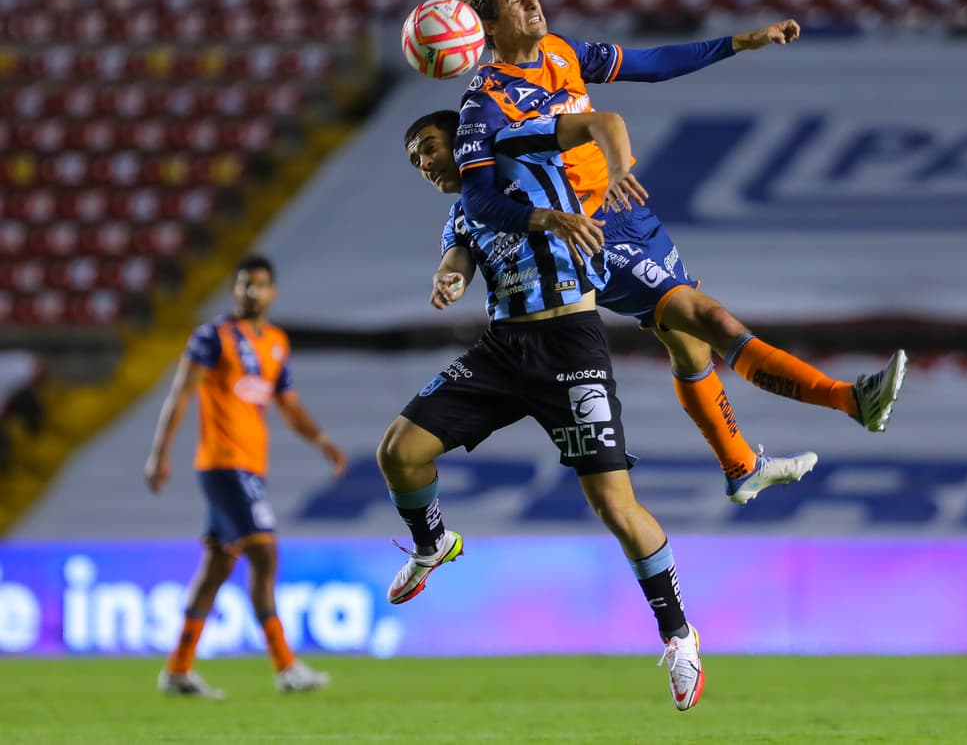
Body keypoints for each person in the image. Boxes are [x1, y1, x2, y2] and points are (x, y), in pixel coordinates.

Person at [450, 0, 907, 506]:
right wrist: (546, 217)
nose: (531, 0)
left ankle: (740, 466)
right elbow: (476, 199)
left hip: (629, 213)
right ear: (489, 25)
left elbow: (652, 63)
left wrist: (741, 41)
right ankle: (851, 400)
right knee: (706, 316)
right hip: (587, 235)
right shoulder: (484, 104)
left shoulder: (561, 51)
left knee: (688, 344)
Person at [379, 108, 704, 711]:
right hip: (504, 349)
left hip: (571, 342)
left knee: (614, 505)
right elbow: (457, 257)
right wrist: (448, 279)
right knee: (399, 451)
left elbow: (598, 119)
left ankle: (679, 635)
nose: (423, 164)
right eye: (413, 160)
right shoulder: (464, 210)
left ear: (463, 139)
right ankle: (433, 543)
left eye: (427, 147)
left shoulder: (525, 157)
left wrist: (614, 166)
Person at [143, 255, 348, 699]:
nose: (251, 292)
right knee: (265, 556)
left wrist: (323, 441)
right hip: (222, 464)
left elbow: (288, 405)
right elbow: (181, 393)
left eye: (259, 285)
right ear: (235, 290)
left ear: (272, 292)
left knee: (218, 568)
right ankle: (286, 667)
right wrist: (159, 453)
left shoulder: (276, 342)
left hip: (252, 466)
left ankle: (178, 669)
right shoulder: (212, 338)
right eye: (244, 285)